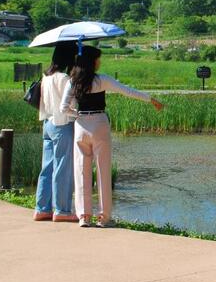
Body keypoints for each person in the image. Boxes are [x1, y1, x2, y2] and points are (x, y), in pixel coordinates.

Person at [60, 45, 163, 228]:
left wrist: (77, 114)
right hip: (99, 124)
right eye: (98, 59)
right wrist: (150, 99)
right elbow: (128, 91)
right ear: (92, 62)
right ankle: (104, 217)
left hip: (81, 125)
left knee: (81, 170)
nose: (99, 62)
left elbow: (63, 108)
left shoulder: (72, 81)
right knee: (103, 170)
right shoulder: (102, 80)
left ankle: (84, 216)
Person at [34, 42, 78, 222]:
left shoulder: (46, 77)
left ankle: (42, 208)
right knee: (62, 169)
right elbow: (71, 106)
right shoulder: (65, 79)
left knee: (47, 167)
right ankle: (62, 210)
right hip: (63, 125)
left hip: (48, 123)